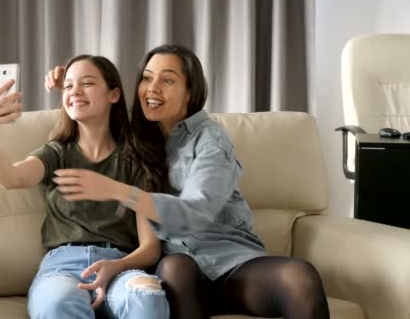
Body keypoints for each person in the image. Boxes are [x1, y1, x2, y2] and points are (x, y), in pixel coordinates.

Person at [46, 45, 330, 319]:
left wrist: (122, 192)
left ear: (190, 92)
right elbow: (97, 111)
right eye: (147, 78)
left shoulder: (211, 141)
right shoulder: (135, 136)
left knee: (299, 276)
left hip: (231, 266)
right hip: (177, 272)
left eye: (167, 80)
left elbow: (196, 213)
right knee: (176, 268)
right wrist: (70, 84)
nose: (152, 89)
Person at [0, 54, 169, 319]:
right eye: (68, 86)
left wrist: (116, 266)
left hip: (120, 267)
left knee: (147, 298)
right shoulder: (57, 153)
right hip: (61, 269)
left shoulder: (136, 160)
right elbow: (11, 178)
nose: (75, 91)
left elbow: (150, 248)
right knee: (58, 304)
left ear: (114, 95)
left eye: (87, 83)